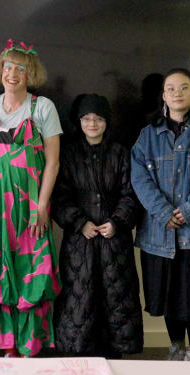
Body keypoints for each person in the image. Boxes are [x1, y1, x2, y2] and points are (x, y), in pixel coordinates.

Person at [130, 68, 190, 362]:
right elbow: (139, 178)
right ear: (163, 95)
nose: (177, 93)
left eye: (183, 87)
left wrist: (188, 211)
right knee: (168, 295)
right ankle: (175, 346)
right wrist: (163, 212)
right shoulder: (147, 136)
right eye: (170, 88)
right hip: (159, 233)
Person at [0, 40, 62, 357]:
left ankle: (31, 344)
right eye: (8, 67)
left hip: (31, 208)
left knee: (31, 273)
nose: (13, 73)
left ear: (30, 73)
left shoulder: (43, 108)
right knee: (2, 273)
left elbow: (53, 162)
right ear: (0, 71)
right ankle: (7, 345)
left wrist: (41, 207)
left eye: (21, 68)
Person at [52, 94, 144, 358]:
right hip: (79, 241)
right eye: (87, 118)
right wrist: (80, 223)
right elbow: (60, 196)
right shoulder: (67, 154)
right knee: (79, 296)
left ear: (107, 122)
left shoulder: (120, 152)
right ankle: (79, 362)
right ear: (79, 121)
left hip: (115, 240)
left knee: (117, 298)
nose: (93, 123)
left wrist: (116, 222)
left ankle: (115, 359)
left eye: (99, 118)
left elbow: (131, 194)